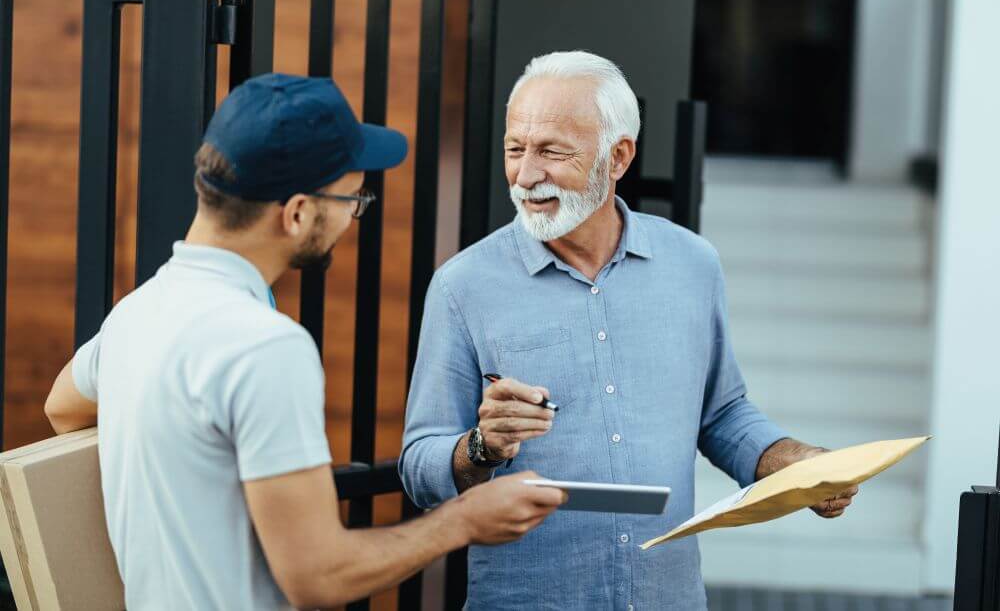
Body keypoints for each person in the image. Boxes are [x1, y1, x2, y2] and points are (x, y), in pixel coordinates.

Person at [43, 73, 564, 610]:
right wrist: (463, 520)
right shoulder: (265, 346)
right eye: (352, 199)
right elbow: (318, 575)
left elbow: (62, 408)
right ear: (296, 213)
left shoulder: (138, 313)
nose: (352, 217)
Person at [399, 51, 859, 610]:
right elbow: (419, 470)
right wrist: (480, 447)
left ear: (617, 157)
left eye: (551, 152)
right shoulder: (461, 286)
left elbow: (721, 414)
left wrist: (793, 463)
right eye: (515, 149)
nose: (524, 175)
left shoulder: (693, 264)